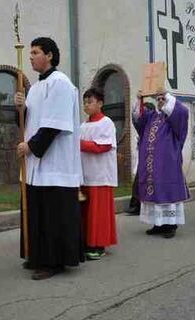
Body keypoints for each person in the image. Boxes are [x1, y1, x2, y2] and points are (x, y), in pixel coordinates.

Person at [15, 37, 84, 280]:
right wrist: (21, 110)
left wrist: (30, 147)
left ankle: (54, 261)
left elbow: (54, 125)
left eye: (35, 52)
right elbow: (30, 123)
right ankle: (38, 256)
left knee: (53, 214)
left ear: (50, 55)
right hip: (36, 162)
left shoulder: (61, 83)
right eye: (30, 52)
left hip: (55, 163)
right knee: (37, 212)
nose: (31, 56)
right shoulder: (34, 88)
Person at [133, 89, 189, 238]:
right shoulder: (151, 117)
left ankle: (170, 225)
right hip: (151, 165)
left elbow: (182, 111)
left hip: (167, 164)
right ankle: (158, 224)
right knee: (154, 193)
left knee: (166, 192)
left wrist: (167, 95)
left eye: (162, 99)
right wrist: (140, 100)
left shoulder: (175, 119)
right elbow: (138, 119)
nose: (160, 101)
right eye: (157, 99)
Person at [80, 87, 118, 260]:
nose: (86, 105)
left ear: (100, 103)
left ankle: (99, 244)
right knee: (86, 212)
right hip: (85, 175)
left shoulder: (107, 123)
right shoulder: (82, 125)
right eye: (85, 102)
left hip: (101, 175)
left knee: (98, 213)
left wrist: (79, 144)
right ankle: (87, 242)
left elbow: (103, 146)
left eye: (90, 101)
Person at [127, 102, 155, 216]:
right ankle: (135, 206)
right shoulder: (143, 126)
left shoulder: (155, 125)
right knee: (138, 182)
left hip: (155, 159)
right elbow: (135, 118)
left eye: (146, 111)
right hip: (144, 159)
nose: (143, 114)